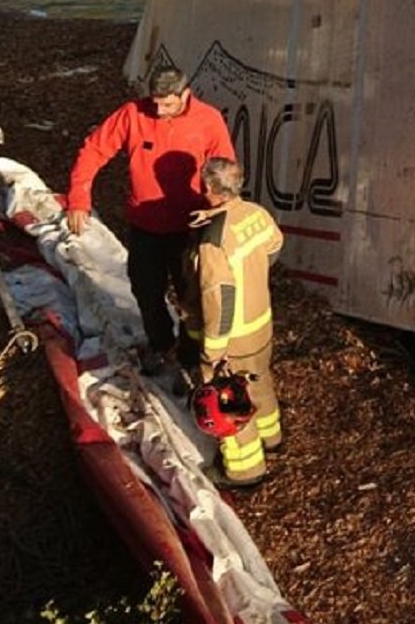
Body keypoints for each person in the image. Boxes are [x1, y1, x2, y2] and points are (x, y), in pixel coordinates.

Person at [67, 65, 235, 370]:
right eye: (155, 103)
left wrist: (221, 215)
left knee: (192, 294)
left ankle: (190, 355)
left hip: (190, 227)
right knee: (145, 287)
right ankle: (161, 343)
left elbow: (225, 170)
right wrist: (78, 198)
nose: (159, 110)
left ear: (185, 95)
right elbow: (93, 150)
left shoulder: (208, 120)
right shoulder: (132, 114)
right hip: (146, 226)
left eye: (168, 104)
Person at [184, 157, 284, 488]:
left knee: (230, 401)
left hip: (233, 337)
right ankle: (272, 439)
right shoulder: (256, 214)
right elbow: (273, 249)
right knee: (260, 379)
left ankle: (245, 470)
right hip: (261, 324)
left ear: (208, 187)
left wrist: (212, 351)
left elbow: (219, 298)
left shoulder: (214, 241)